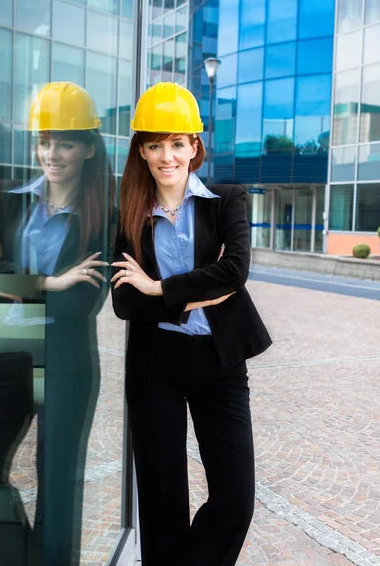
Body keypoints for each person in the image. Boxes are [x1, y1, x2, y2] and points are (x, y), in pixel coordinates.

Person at [111, 82, 272, 566]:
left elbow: (234, 271)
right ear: (141, 151)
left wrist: (160, 288)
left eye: (178, 143)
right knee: (162, 505)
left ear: (195, 147)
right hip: (155, 367)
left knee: (236, 499)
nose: (167, 156)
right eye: (156, 145)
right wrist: (199, 289)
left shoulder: (227, 201)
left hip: (218, 365)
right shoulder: (132, 216)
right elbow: (123, 303)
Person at [0, 82, 115, 565]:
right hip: (10, 349)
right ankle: (14, 552)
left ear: (86, 148)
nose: (50, 153)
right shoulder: (15, 200)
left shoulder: (104, 215)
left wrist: (19, 286)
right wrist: (49, 283)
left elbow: (83, 302)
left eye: (63, 142)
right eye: (44, 141)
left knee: (57, 482)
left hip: (67, 360)